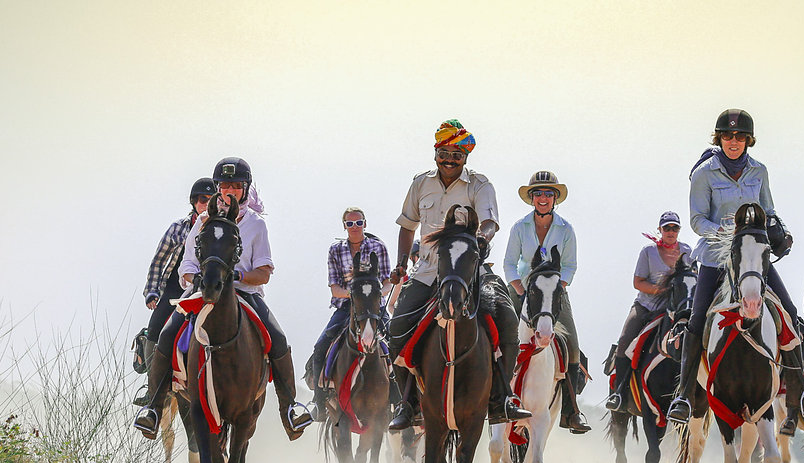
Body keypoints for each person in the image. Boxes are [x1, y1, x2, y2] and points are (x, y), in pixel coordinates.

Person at [666, 109, 804, 436]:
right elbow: (696, 220)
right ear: (718, 139)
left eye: (739, 137)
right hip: (716, 257)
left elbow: (768, 210)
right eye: (727, 136)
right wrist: (725, 233)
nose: (733, 141)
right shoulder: (704, 174)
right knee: (696, 321)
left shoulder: (760, 172)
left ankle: (803, 392)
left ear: (748, 140)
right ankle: (683, 395)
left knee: (791, 313)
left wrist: (778, 230)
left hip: (753, 256)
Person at [133, 157, 313, 441]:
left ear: (245, 189)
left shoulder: (256, 225)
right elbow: (187, 266)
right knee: (167, 333)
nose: (230, 190)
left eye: (236, 185)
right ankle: (153, 408)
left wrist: (235, 279)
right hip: (202, 292)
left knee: (278, 339)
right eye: (224, 184)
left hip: (244, 295)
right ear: (217, 188)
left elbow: (264, 272)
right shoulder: (203, 222)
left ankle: (290, 408)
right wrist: (200, 281)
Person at [387, 119, 530, 431]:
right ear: (436, 151)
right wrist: (401, 263)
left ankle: (502, 398)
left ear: (466, 156)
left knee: (506, 317)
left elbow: (490, 221)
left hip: (469, 270)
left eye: (457, 154)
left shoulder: (480, 184)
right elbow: (407, 225)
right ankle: (407, 404)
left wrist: (482, 238)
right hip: (427, 271)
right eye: (444, 152)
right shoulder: (420, 183)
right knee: (395, 327)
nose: (450, 159)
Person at [504, 171, 589, 433]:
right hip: (523, 290)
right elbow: (509, 264)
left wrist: (555, 290)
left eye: (548, 194)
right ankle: (497, 398)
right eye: (538, 193)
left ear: (555, 199)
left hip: (553, 293)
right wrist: (520, 289)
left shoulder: (566, 229)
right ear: (531, 198)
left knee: (572, 345)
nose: (543, 198)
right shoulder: (520, 227)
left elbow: (570, 266)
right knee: (498, 338)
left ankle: (571, 411)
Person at [304, 207, 393, 421]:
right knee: (320, 345)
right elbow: (334, 288)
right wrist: (355, 296)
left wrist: (373, 295)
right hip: (347, 307)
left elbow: (388, 280)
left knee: (396, 342)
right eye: (350, 223)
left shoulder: (378, 247)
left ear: (365, 224)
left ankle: (401, 401)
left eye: (358, 222)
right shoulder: (335, 250)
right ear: (344, 226)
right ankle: (320, 400)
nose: (355, 227)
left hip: (374, 308)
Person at [134, 177, 215, 406]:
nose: (206, 204)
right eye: (202, 199)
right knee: (155, 329)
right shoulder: (178, 228)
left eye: (210, 200)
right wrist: (152, 292)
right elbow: (159, 262)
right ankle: (154, 392)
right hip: (174, 290)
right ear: (193, 202)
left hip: (208, 291)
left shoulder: (220, 229)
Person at [606, 211, 691, 412]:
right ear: (660, 230)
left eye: (675, 228)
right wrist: (662, 291)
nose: (671, 231)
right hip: (647, 307)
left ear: (679, 230)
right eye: (667, 228)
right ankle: (618, 391)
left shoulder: (688, 251)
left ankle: (691, 395)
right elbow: (638, 282)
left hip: (675, 311)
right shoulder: (648, 252)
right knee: (626, 340)